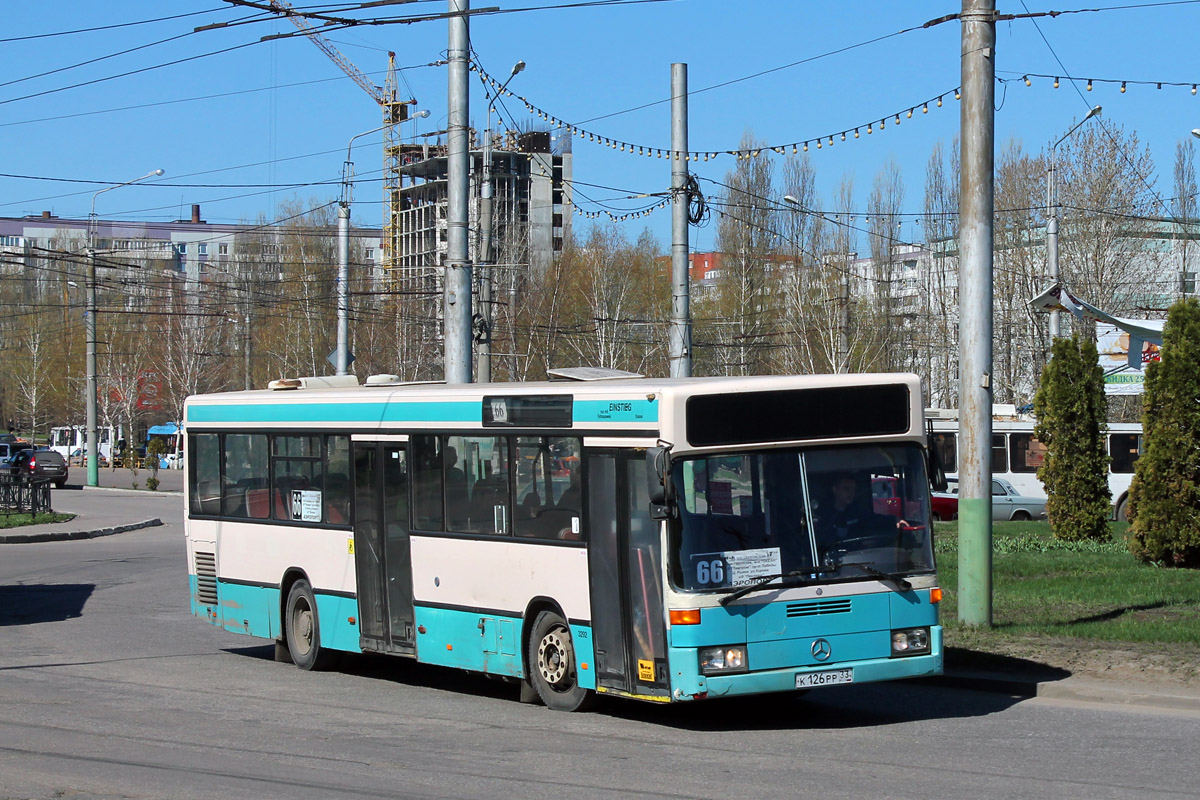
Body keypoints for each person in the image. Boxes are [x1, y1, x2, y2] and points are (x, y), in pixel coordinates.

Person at [814, 473, 907, 551]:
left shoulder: (856, 511)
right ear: (835, 490)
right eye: (846, 489)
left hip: (856, 560)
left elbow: (874, 519)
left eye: (853, 489)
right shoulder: (823, 514)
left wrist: (895, 521)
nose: (851, 493)